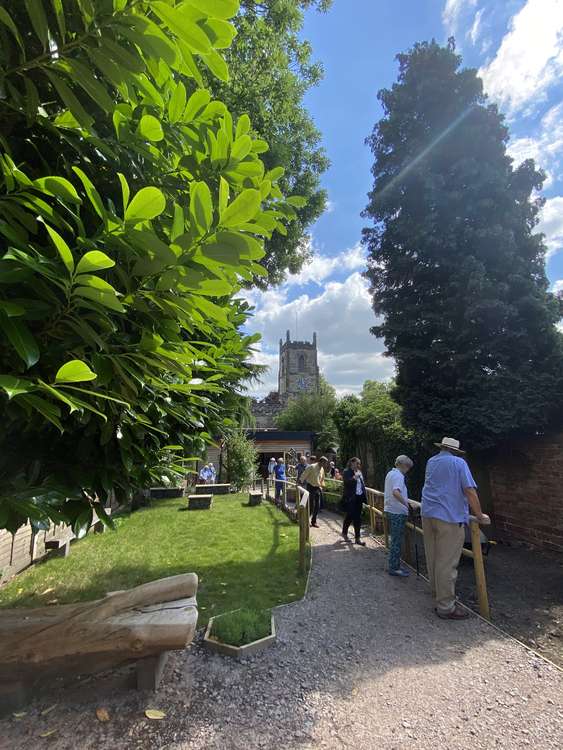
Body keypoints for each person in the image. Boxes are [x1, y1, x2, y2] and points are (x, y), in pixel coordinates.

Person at [421, 437, 490, 620]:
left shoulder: (431, 461)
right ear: (456, 451)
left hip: (428, 514)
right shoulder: (458, 462)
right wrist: (480, 515)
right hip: (449, 517)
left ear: (442, 447)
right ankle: (445, 606)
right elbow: (469, 490)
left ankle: (437, 594)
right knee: (447, 563)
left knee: (433, 557)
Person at [384, 455, 414, 576]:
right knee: (396, 540)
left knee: (395, 539)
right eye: (408, 467)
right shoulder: (399, 476)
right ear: (403, 465)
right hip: (397, 511)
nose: (408, 469)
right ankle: (394, 568)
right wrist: (407, 504)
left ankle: (394, 564)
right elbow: (396, 492)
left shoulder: (391, 473)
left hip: (390, 509)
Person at [341, 457, 367, 546]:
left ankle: (357, 538)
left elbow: (362, 484)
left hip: (359, 498)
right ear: (352, 463)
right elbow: (347, 483)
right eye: (357, 463)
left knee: (358, 518)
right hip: (351, 498)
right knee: (350, 516)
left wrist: (364, 495)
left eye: (359, 463)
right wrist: (354, 477)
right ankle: (344, 533)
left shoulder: (359, 472)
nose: (358, 465)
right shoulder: (346, 472)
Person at [301, 456, 329, 528]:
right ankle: (306, 521)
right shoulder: (312, 467)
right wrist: (300, 482)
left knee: (317, 506)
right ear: (321, 462)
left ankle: (314, 521)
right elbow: (304, 474)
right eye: (325, 463)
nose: (326, 464)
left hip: (317, 488)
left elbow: (322, 479)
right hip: (310, 487)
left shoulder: (322, 469)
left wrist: (323, 486)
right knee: (311, 505)